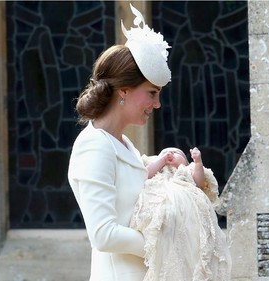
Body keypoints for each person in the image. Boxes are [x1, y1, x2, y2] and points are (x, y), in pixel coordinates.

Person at [68, 4, 171, 281]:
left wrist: (161, 164)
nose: (157, 104)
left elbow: (128, 188)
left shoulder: (122, 143)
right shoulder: (93, 145)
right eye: (151, 93)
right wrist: (165, 243)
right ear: (124, 91)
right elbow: (103, 234)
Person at [130, 147, 232, 281]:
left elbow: (198, 181)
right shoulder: (158, 171)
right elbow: (144, 175)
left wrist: (198, 161)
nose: (170, 154)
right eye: (165, 152)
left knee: (193, 242)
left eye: (177, 153)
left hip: (187, 211)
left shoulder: (186, 170)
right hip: (162, 203)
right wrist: (161, 161)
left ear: (185, 161)